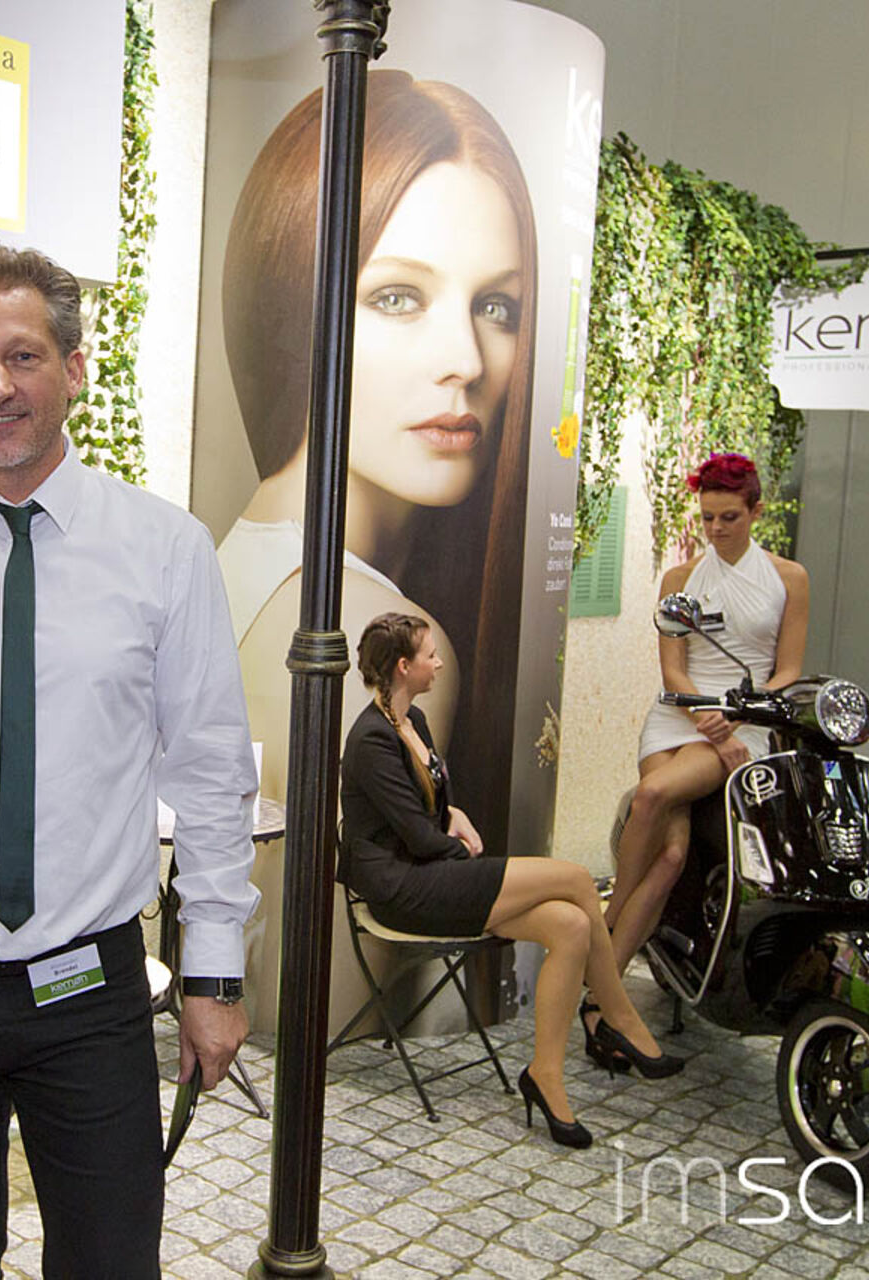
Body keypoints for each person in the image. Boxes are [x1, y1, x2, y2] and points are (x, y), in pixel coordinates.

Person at [0, 240, 259, 1279]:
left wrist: (215, 972)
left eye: (24, 356)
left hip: (87, 993)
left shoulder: (166, 549)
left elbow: (211, 771)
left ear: (75, 368)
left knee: (111, 1261)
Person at [218, 69, 534, 858]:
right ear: (295, 306)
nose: (466, 360)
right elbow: (352, 931)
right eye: (398, 297)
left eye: (495, 307)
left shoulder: (236, 555)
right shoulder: (384, 638)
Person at [340, 613, 682, 1151]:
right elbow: (418, 837)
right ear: (404, 667)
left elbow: (431, 807)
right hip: (404, 889)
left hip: (435, 872)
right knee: (576, 880)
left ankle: (546, 1076)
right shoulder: (371, 740)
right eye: (430, 655)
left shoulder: (414, 721)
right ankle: (615, 1015)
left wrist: (454, 816)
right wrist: (460, 846)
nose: (439, 663)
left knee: (570, 925)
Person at [601, 453, 810, 1022]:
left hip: (745, 722)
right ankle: (604, 995)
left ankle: (605, 931)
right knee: (670, 855)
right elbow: (674, 672)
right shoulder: (680, 580)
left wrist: (735, 717)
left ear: (756, 512)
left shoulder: (789, 578)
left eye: (729, 517)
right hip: (679, 716)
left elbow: (789, 670)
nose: (716, 529)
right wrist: (709, 721)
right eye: (708, 518)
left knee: (652, 796)